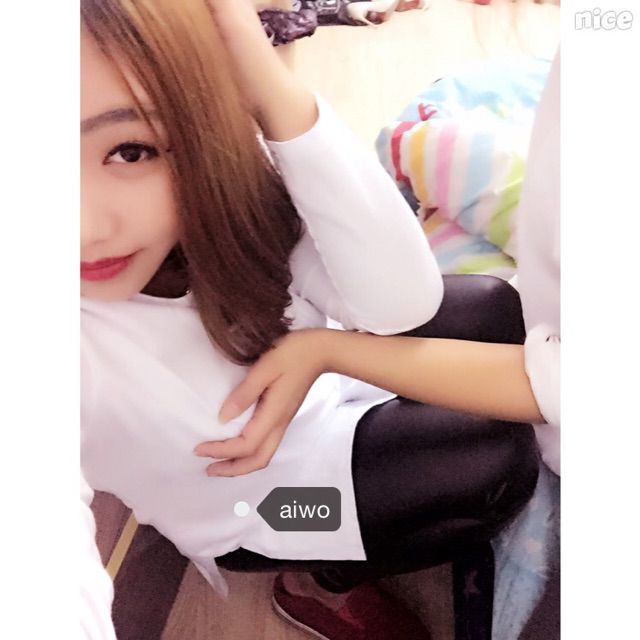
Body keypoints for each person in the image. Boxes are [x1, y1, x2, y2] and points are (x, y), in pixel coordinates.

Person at [80, 1, 539, 638]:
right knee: (492, 467)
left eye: (130, 150)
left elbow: (401, 303)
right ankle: (317, 581)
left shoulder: (218, 192)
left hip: (327, 391)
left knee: (492, 307)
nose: (80, 228)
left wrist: (269, 86)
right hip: (263, 510)